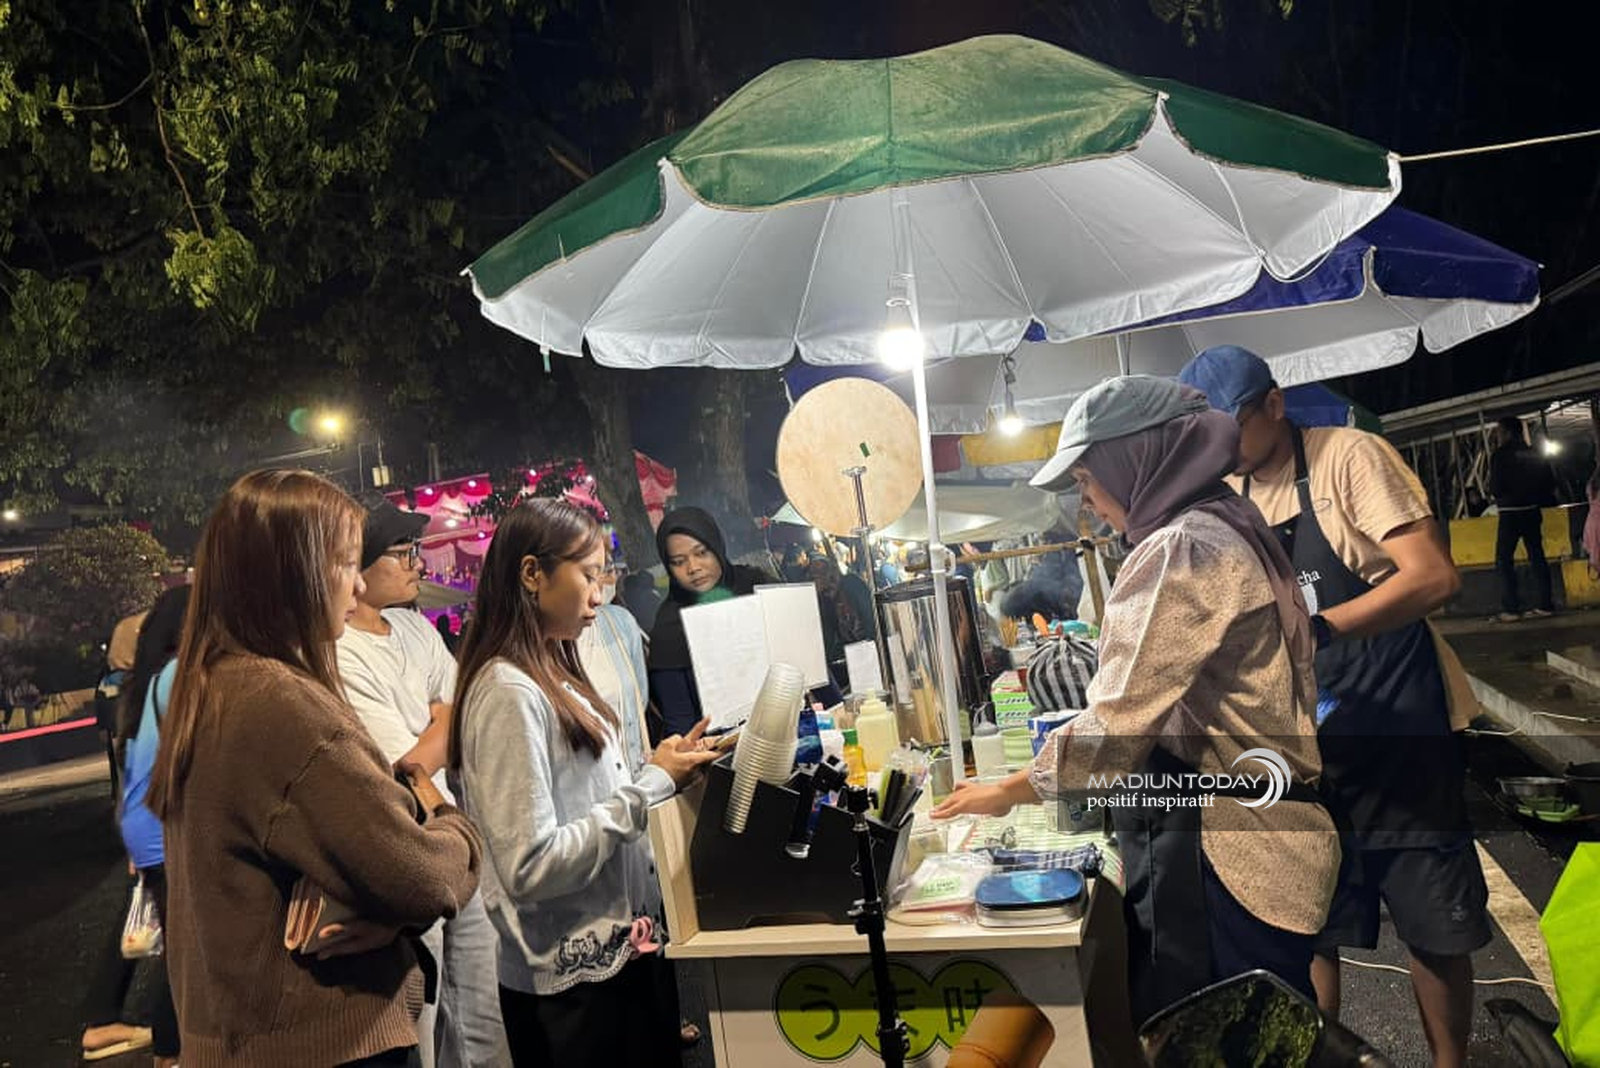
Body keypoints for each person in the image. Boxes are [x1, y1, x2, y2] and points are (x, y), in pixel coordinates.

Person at [932, 376, 1338, 1025]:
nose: (1088, 502)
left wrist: (1007, 791)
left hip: (1236, 851)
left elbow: (1116, 727)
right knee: (1267, 1032)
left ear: (1135, 460)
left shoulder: (1183, 547)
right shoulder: (1231, 520)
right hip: (1272, 829)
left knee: (1228, 1040)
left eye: (1087, 480)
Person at [1180, 345, 1488, 1068]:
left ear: (1274, 404)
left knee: (1433, 927)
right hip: (1307, 746)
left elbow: (1434, 576)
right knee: (1309, 925)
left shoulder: (1349, 458)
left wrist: (1318, 629)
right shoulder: (1231, 498)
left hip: (1400, 729)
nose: (1222, 449)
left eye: (1232, 429)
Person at [147, 469, 483, 1067]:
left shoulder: (213, 684)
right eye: (346, 563)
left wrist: (384, 909)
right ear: (291, 573)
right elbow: (420, 876)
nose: (359, 584)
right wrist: (452, 823)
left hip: (245, 1037)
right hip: (323, 1040)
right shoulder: (280, 705)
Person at [448, 499, 719, 1068]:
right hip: (573, 999)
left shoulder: (553, 668)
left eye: (605, 576)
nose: (600, 594)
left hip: (625, 959)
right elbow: (529, 867)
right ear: (532, 573)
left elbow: (593, 799)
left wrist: (663, 768)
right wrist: (649, 788)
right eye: (588, 575)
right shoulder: (507, 692)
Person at [337, 503, 511, 1068]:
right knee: (425, 1018)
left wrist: (444, 721)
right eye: (403, 553)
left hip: (457, 833)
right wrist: (443, 719)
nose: (419, 563)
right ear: (358, 566)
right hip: (406, 848)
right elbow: (406, 768)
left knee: (483, 1006)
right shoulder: (341, 651)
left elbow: (463, 712)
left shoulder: (414, 626)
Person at [111, 586, 190, 1067]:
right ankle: (171, 1051)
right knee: (186, 956)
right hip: (164, 831)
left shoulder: (146, 681)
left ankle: (170, 1051)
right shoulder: (180, 674)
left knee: (178, 953)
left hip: (145, 827)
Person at [647, 507, 775, 738]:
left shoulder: (759, 588)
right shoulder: (668, 629)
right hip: (721, 751)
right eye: (678, 561)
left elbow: (809, 666)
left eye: (701, 553)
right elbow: (681, 725)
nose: (693, 568)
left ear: (717, 547)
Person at [1489, 415, 1557, 621]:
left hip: (1510, 512)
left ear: (1508, 433)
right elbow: (1549, 482)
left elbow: (1496, 487)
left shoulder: (1500, 455)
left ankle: (1511, 608)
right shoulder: (1534, 453)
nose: (1498, 436)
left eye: (1499, 432)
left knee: (1503, 560)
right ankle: (1545, 605)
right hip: (1532, 510)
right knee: (1537, 556)